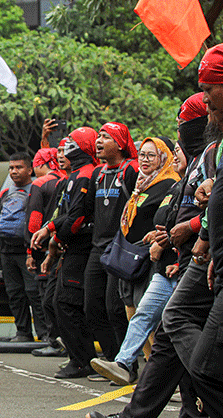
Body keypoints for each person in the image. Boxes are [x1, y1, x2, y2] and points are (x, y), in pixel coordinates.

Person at [85, 43, 223, 418]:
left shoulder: (203, 158)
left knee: (194, 347)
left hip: (193, 259)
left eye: (209, 93)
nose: (205, 105)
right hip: (195, 258)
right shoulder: (205, 157)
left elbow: (208, 205)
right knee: (167, 334)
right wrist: (199, 236)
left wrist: (197, 231)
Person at [91, 138, 186, 385]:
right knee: (142, 315)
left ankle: (181, 381)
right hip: (160, 266)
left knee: (170, 326)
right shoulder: (155, 185)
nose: (144, 160)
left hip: (177, 264)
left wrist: (161, 238)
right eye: (141, 154)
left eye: (151, 155)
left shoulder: (174, 184)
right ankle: (124, 364)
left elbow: (191, 223)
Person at [31, 127, 99, 378]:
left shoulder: (86, 176)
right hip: (67, 246)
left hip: (81, 247)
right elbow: (63, 213)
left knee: (66, 303)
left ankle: (84, 360)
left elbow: (76, 217)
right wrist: (50, 230)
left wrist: (54, 235)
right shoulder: (73, 177)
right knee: (55, 301)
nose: (65, 148)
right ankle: (77, 355)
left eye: (71, 143)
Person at [81, 123, 139, 376]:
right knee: (92, 307)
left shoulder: (131, 170)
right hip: (98, 247)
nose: (99, 141)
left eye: (106, 137)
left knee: (116, 308)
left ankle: (128, 365)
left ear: (120, 142)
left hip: (121, 247)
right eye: (99, 136)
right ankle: (112, 360)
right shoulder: (97, 173)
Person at [0, 152, 47, 342]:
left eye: (18, 167)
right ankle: (23, 332)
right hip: (6, 251)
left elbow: (38, 222)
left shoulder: (37, 190)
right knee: (14, 294)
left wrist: (31, 250)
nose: (14, 171)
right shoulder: (4, 193)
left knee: (34, 292)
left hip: (29, 252)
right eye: (11, 168)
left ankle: (44, 334)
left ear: (30, 169)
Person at [26, 147, 68, 356]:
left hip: (46, 247)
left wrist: (31, 251)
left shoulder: (40, 183)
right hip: (68, 244)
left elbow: (34, 220)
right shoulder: (69, 179)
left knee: (48, 297)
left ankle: (55, 341)